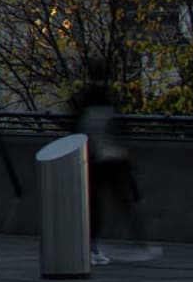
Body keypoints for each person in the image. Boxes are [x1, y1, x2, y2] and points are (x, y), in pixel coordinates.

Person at [64, 63, 154, 263]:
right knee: (123, 200)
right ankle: (140, 243)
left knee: (96, 204)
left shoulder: (83, 98)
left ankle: (92, 245)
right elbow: (118, 128)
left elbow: (75, 126)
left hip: (94, 158)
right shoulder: (109, 98)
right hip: (113, 157)